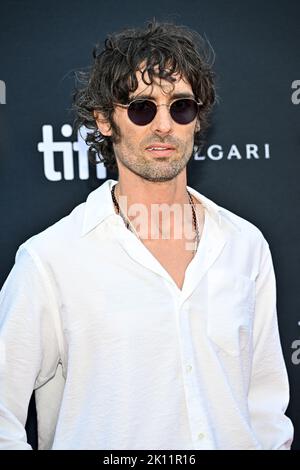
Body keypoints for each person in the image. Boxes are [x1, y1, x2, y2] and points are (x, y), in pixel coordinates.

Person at [0, 21, 294, 450]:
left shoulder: (244, 246)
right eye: (141, 107)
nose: (163, 125)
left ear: (197, 120)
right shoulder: (51, 259)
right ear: (104, 120)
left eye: (181, 107)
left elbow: (266, 411)